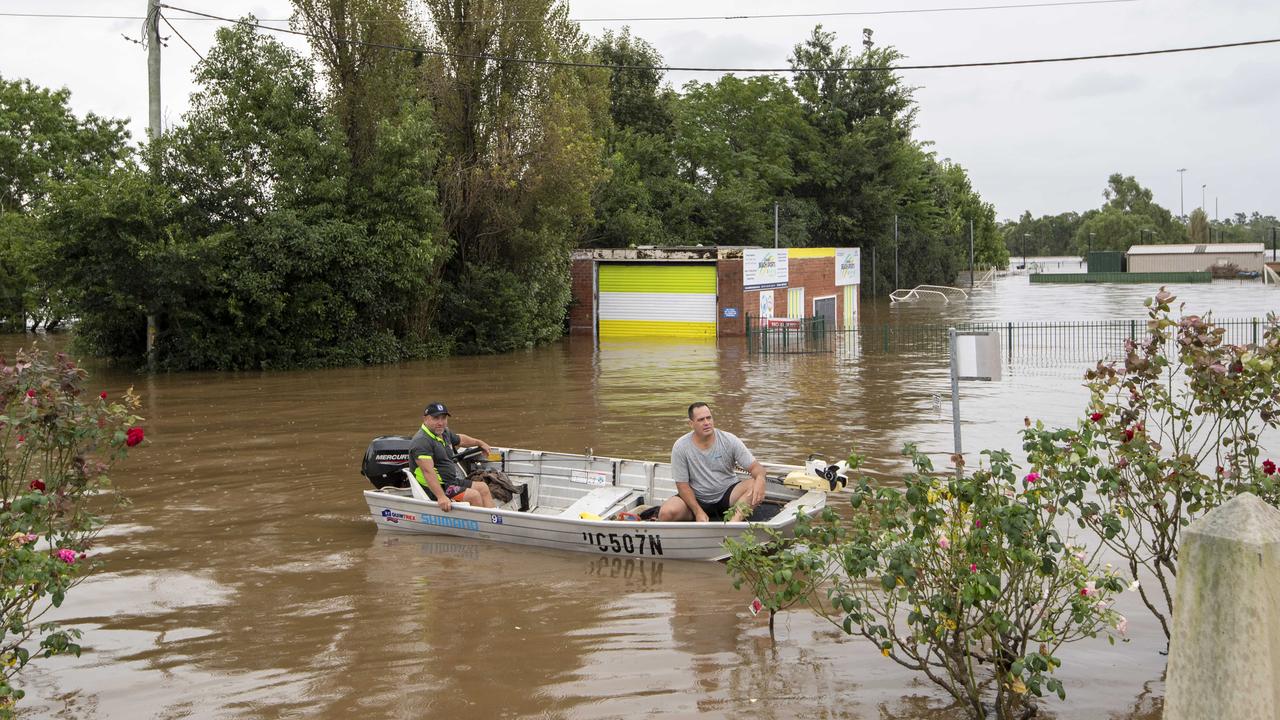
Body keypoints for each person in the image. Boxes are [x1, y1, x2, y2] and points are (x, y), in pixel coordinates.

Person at [658, 402, 766, 522]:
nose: (706, 423)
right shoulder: (680, 447)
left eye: (709, 418)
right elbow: (682, 486)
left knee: (754, 483)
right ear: (691, 424)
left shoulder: (729, 440)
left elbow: (756, 467)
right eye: (701, 420)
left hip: (728, 495)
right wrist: (697, 511)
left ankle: (733, 523)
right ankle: (697, 518)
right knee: (666, 513)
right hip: (697, 499)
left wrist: (760, 479)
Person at [409, 402, 496, 512]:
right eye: (436, 418)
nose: (440, 423)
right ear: (425, 419)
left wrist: (479, 443)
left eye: (443, 418)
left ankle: (495, 521)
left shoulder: (443, 432)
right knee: (474, 495)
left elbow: (460, 439)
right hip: (437, 488)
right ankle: (481, 527)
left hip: (450, 482)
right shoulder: (422, 441)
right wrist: (441, 497)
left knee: (483, 487)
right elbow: (428, 472)